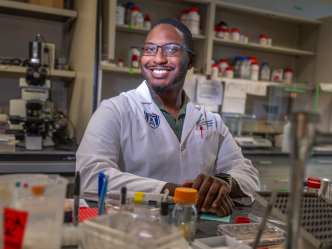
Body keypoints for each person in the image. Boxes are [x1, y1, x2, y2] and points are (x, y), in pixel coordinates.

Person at [77, 17, 260, 217]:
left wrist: (223, 183)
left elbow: (248, 174)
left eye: (171, 49)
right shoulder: (114, 110)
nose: (158, 58)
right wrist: (179, 193)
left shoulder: (210, 120)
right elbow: (91, 177)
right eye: (149, 49)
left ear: (190, 60)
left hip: (196, 232)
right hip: (132, 229)